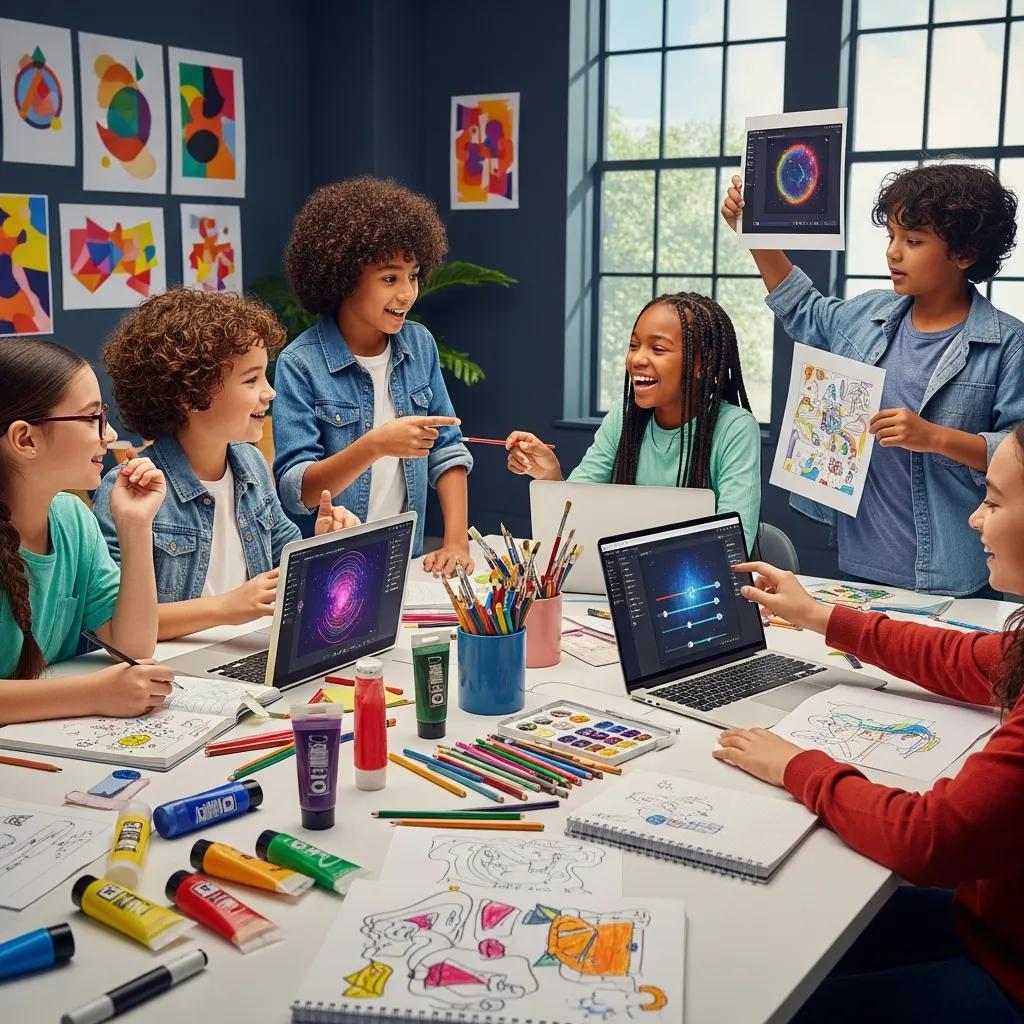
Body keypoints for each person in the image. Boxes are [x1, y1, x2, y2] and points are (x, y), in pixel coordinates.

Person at [713, 422, 1024, 1021]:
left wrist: (798, 767)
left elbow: (929, 839)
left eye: (992, 501)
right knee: (794, 928)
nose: (974, 519)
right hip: (992, 923)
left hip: (1008, 978)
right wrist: (821, 617)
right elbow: (959, 658)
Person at [721, 162, 1023, 594]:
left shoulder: (1008, 344)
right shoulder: (866, 314)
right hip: (858, 567)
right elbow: (803, 309)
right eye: (891, 236)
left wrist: (934, 437)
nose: (893, 253)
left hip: (953, 580)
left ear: (965, 253)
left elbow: (1018, 455)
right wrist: (755, 235)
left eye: (913, 241)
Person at [94, 289, 359, 640]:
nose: (270, 392)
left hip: (247, 647)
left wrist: (322, 548)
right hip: (174, 664)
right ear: (190, 395)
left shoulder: (251, 464)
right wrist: (226, 608)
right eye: (251, 380)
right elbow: (114, 620)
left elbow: (285, 573)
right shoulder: (129, 490)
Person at [273, 176, 474, 577]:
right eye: (389, 278)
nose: (407, 293)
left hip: (402, 562)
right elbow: (298, 491)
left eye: (413, 275)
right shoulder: (300, 363)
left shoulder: (419, 344)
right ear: (344, 279)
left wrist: (456, 541)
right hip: (329, 571)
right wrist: (376, 444)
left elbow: (447, 448)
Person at [0, 339, 173, 723]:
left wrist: (135, 526)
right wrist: (93, 694)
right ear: (25, 439)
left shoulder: (73, 518)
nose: (108, 435)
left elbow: (132, 647)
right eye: (92, 418)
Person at [506, 292, 761, 552]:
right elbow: (575, 518)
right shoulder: (622, 418)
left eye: (658, 349)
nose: (637, 359)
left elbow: (732, 545)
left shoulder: (734, 428)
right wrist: (550, 475)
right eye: (634, 345)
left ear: (702, 364)